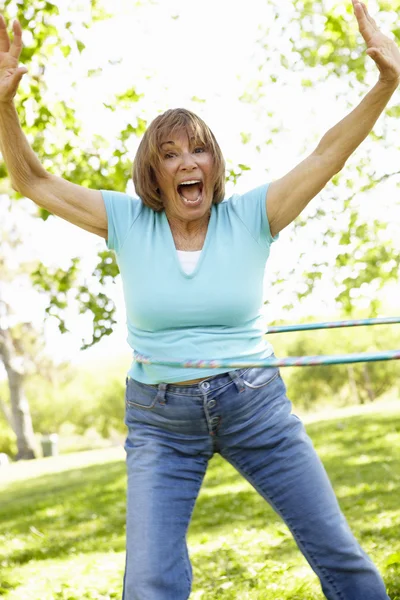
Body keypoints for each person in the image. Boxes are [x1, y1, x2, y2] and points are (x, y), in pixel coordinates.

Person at [0, 1, 398, 598]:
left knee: (343, 561)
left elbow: (326, 154)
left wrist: (388, 81)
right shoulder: (127, 222)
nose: (188, 162)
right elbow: (33, 179)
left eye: (199, 150)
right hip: (161, 421)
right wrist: (4, 104)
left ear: (214, 165)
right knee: (149, 585)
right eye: (170, 154)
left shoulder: (253, 216)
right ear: (154, 173)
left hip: (255, 404)